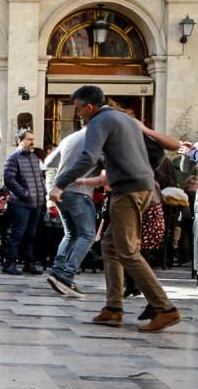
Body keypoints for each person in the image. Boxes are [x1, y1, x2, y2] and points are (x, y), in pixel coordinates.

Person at [52, 85, 180, 332]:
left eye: (78, 108)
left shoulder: (99, 121)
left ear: (89, 106)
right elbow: (156, 152)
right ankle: (113, 308)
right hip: (140, 187)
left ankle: (165, 308)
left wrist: (60, 184)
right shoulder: (126, 119)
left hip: (128, 191)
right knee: (110, 246)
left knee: (128, 251)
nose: (78, 114)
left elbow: (88, 157)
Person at [43, 123, 99, 298]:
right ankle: (67, 275)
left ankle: (57, 271)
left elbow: (48, 162)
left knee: (70, 234)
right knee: (88, 235)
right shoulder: (96, 139)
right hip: (79, 193)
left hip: (61, 192)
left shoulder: (69, 138)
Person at [2, 129, 46, 275]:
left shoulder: (34, 158)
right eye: (28, 139)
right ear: (20, 141)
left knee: (31, 235)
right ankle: (9, 263)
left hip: (36, 203)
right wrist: (25, 194)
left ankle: (29, 263)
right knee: (17, 234)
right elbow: (9, 179)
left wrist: (42, 193)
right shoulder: (13, 157)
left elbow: (39, 178)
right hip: (21, 204)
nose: (32, 142)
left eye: (33, 139)